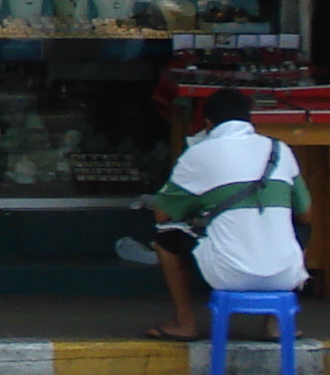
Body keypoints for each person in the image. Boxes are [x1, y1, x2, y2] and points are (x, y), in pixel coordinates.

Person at [125, 87, 310, 342]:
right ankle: (276, 325)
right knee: (299, 230)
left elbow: (162, 215)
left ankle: (184, 323)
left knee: (166, 237)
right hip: (286, 274)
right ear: (249, 119)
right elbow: (306, 214)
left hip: (228, 273)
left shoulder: (198, 154)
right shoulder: (280, 150)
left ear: (208, 123)